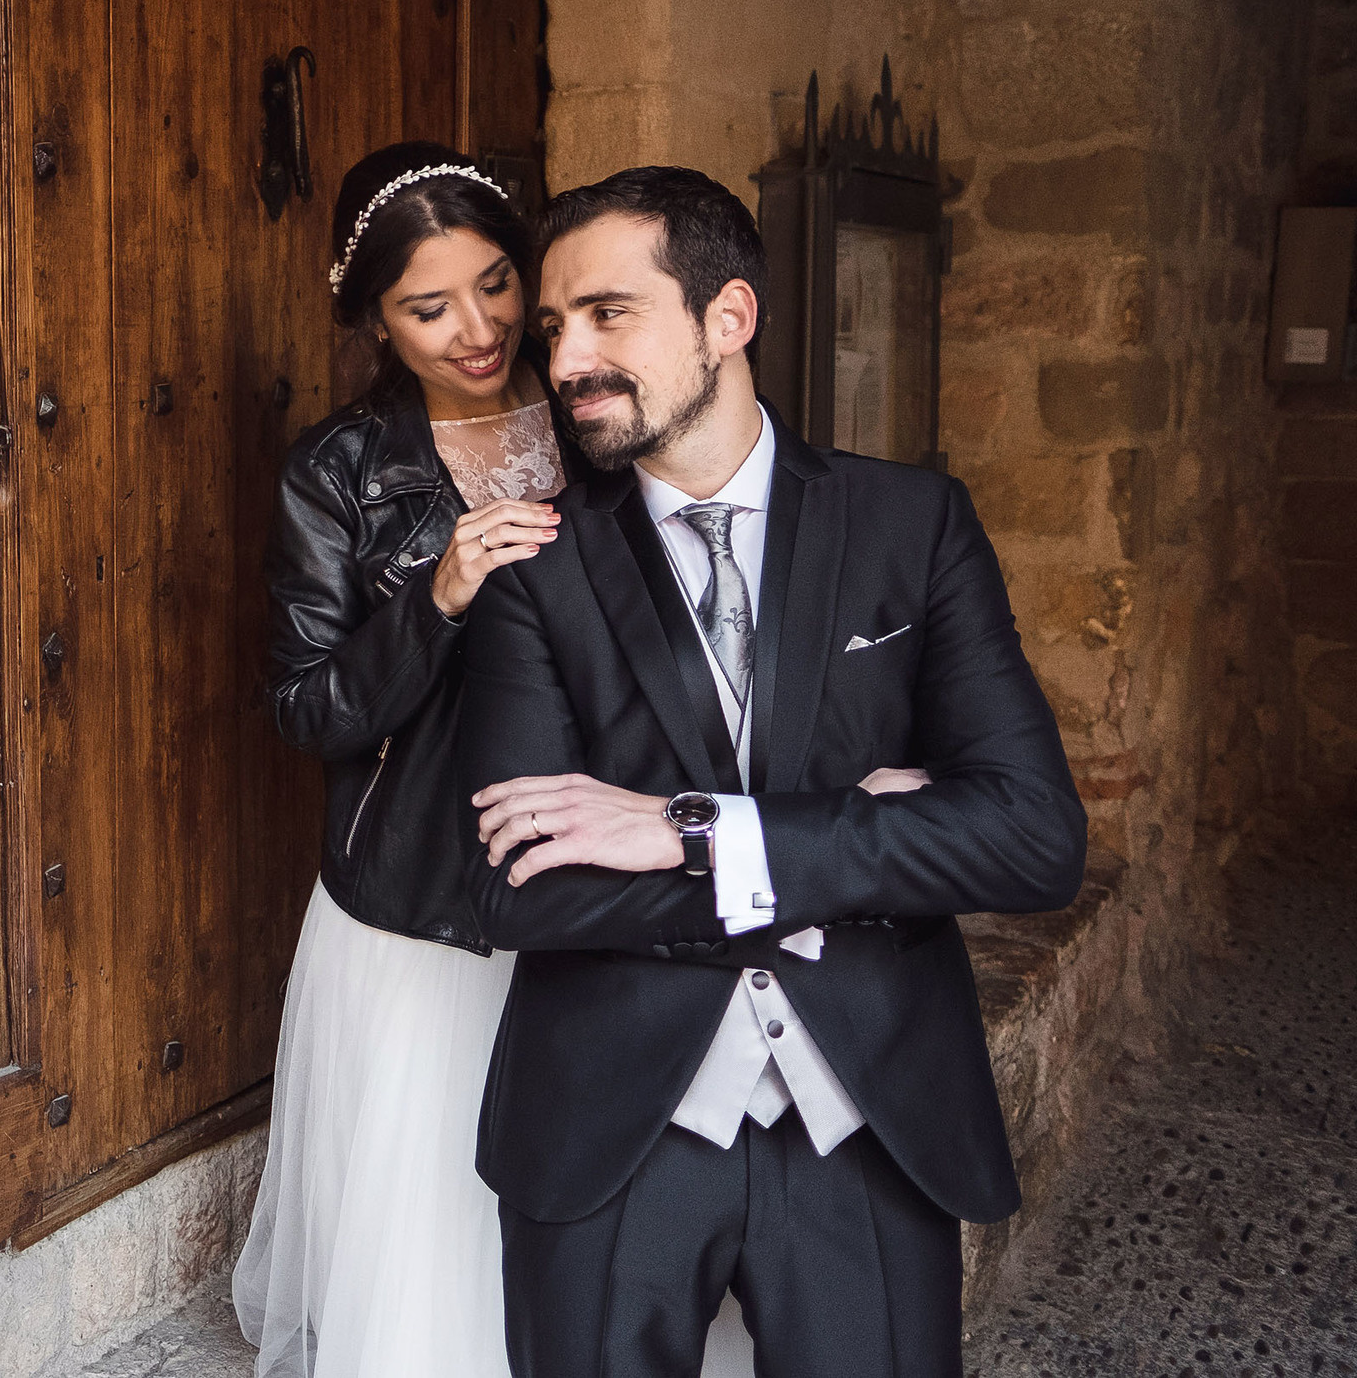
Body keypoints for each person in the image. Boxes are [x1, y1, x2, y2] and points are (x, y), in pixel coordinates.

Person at [458, 166, 1086, 1377]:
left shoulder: (914, 526)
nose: (567, 357)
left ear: (727, 319)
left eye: (607, 314)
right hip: (608, 1117)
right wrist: (858, 836)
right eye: (552, 329)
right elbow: (519, 886)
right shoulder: (532, 566)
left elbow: (1028, 838)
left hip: (868, 1102)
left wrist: (695, 831)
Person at [231, 143, 564, 1378]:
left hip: (600, 863)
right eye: (428, 308)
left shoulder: (597, 405)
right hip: (423, 899)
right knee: (437, 1246)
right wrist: (440, 592)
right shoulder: (338, 471)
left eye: (495, 285)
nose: (476, 329)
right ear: (371, 314)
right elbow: (307, 709)